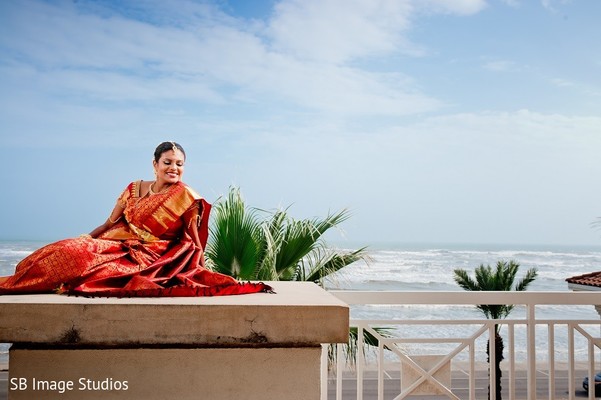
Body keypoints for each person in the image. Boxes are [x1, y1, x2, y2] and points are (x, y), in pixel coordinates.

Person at [0, 142, 272, 297]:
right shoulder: (132, 188)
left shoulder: (185, 196)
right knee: (67, 249)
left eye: (179, 163)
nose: (173, 168)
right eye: (167, 162)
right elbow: (109, 223)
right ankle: (20, 281)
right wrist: (87, 238)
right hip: (117, 242)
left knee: (81, 262)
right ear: (155, 165)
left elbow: (194, 241)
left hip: (150, 256)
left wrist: (202, 271)